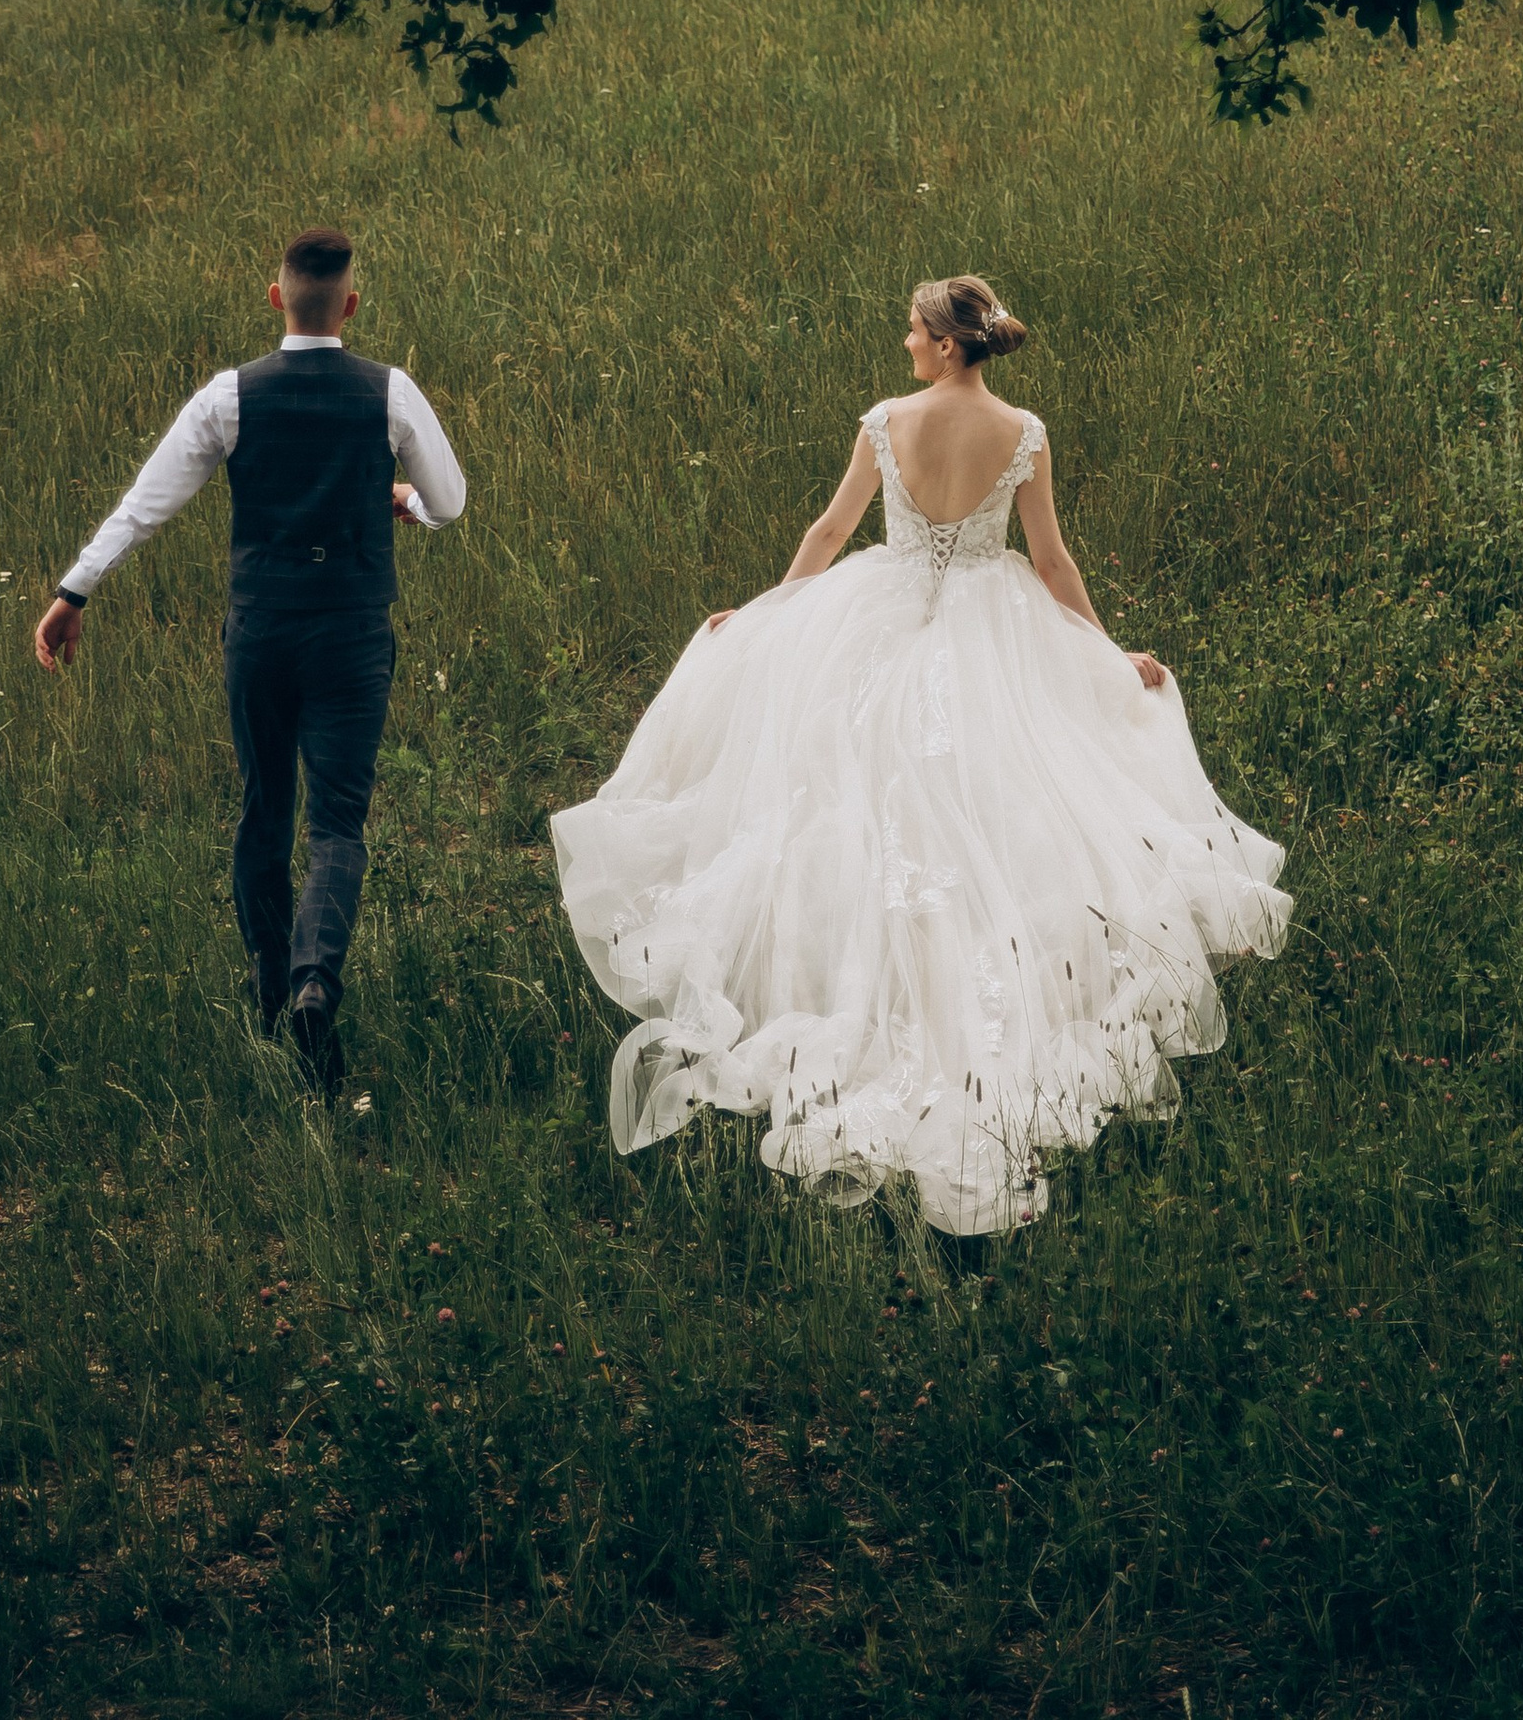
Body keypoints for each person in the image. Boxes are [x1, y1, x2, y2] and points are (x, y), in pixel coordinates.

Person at [550, 275, 1291, 1236]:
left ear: (947, 343)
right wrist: (1109, 656)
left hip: (880, 620)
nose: (903, 344)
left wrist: (771, 612)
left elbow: (830, 531)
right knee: (1001, 804)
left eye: (912, 331)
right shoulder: (1024, 432)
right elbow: (1053, 562)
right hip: (993, 628)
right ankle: (993, 1021)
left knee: (855, 798)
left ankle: (858, 995)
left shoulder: (885, 422)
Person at [32, 228, 466, 1083]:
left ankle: (271, 996)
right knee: (338, 823)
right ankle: (315, 986)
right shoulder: (390, 391)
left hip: (261, 632)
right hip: (350, 633)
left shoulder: (227, 399)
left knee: (264, 809)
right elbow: (449, 504)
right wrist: (403, 497)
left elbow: (143, 508)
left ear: (277, 301)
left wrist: (73, 592)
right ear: (350, 304)